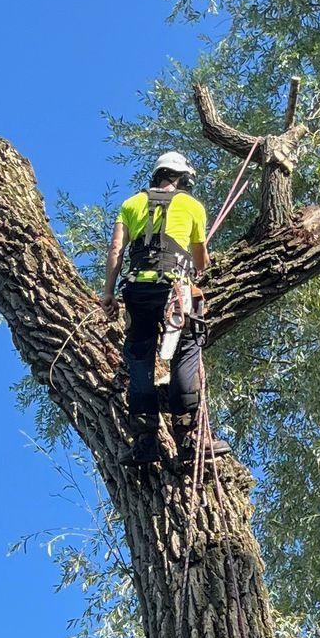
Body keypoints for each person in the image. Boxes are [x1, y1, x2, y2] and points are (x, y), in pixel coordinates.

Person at [106, 151, 210, 466]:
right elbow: (201, 260)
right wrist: (202, 265)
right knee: (187, 350)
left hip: (138, 289)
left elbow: (116, 249)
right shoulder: (193, 206)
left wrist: (108, 294)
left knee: (139, 358)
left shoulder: (130, 205)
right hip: (177, 289)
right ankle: (188, 436)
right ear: (182, 179)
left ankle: (144, 437)